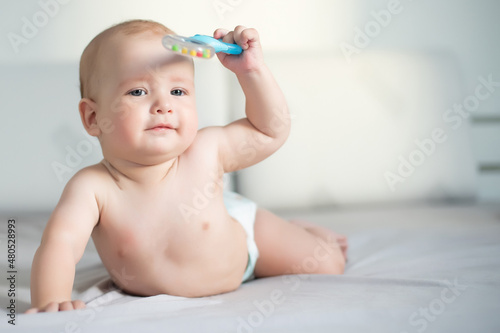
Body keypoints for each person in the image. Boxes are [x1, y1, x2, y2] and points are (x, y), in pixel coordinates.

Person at [26, 19, 347, 313]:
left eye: (177, 90)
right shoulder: (93, 187)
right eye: (138, 91)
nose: (164, 105)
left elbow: (270, 130)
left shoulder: (206, 150)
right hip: (215, 225)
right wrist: (50, 300)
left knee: (329, 262)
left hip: (246, 238)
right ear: (93, 118)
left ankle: (306, 230)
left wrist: (251, 72)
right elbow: (61, 243)